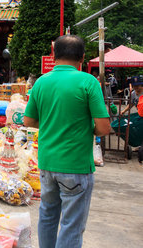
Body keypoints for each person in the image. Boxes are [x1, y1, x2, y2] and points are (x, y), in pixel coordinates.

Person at [23, 35, 110, 248]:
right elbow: (104, 127)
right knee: (71, 224)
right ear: (81, 58)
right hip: (76, 167)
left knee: (47, 216)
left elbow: (29, 120)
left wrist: (53, 124)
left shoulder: (41, 82)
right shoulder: (88, 81)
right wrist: (86, 128)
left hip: (46, 164)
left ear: (53, 55)